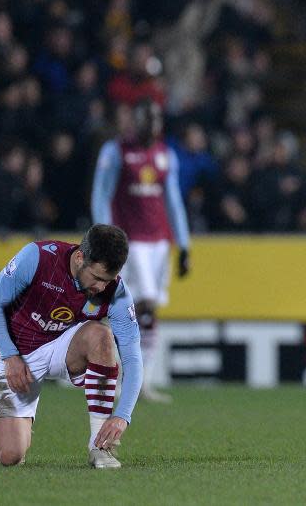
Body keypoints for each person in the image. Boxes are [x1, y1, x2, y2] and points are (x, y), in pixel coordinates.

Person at [0, 224, 141, 469]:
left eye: (107, 280)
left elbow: (132, 357)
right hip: (18, 353)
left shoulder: (116, 293)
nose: (100, 287)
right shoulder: (37, 258)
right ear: (80, 257)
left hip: (63, 347)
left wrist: (123, 416)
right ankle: (6, 433)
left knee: (101, 336)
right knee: (10, 455)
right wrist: (10, 356)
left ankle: (99, 449)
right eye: (97, 277)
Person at [91, 100, 190, 403]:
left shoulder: (165, 155)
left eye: (158, 119)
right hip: (129, 241)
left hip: (159, 243)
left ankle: (140, 382)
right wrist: (104, 237)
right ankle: (113, 372)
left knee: (147, 310)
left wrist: (184, 244)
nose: (154, 124)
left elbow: (173, 201)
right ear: (136, 120)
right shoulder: (115, 151)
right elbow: (101, 194)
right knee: (140, 303)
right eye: (148, 118)